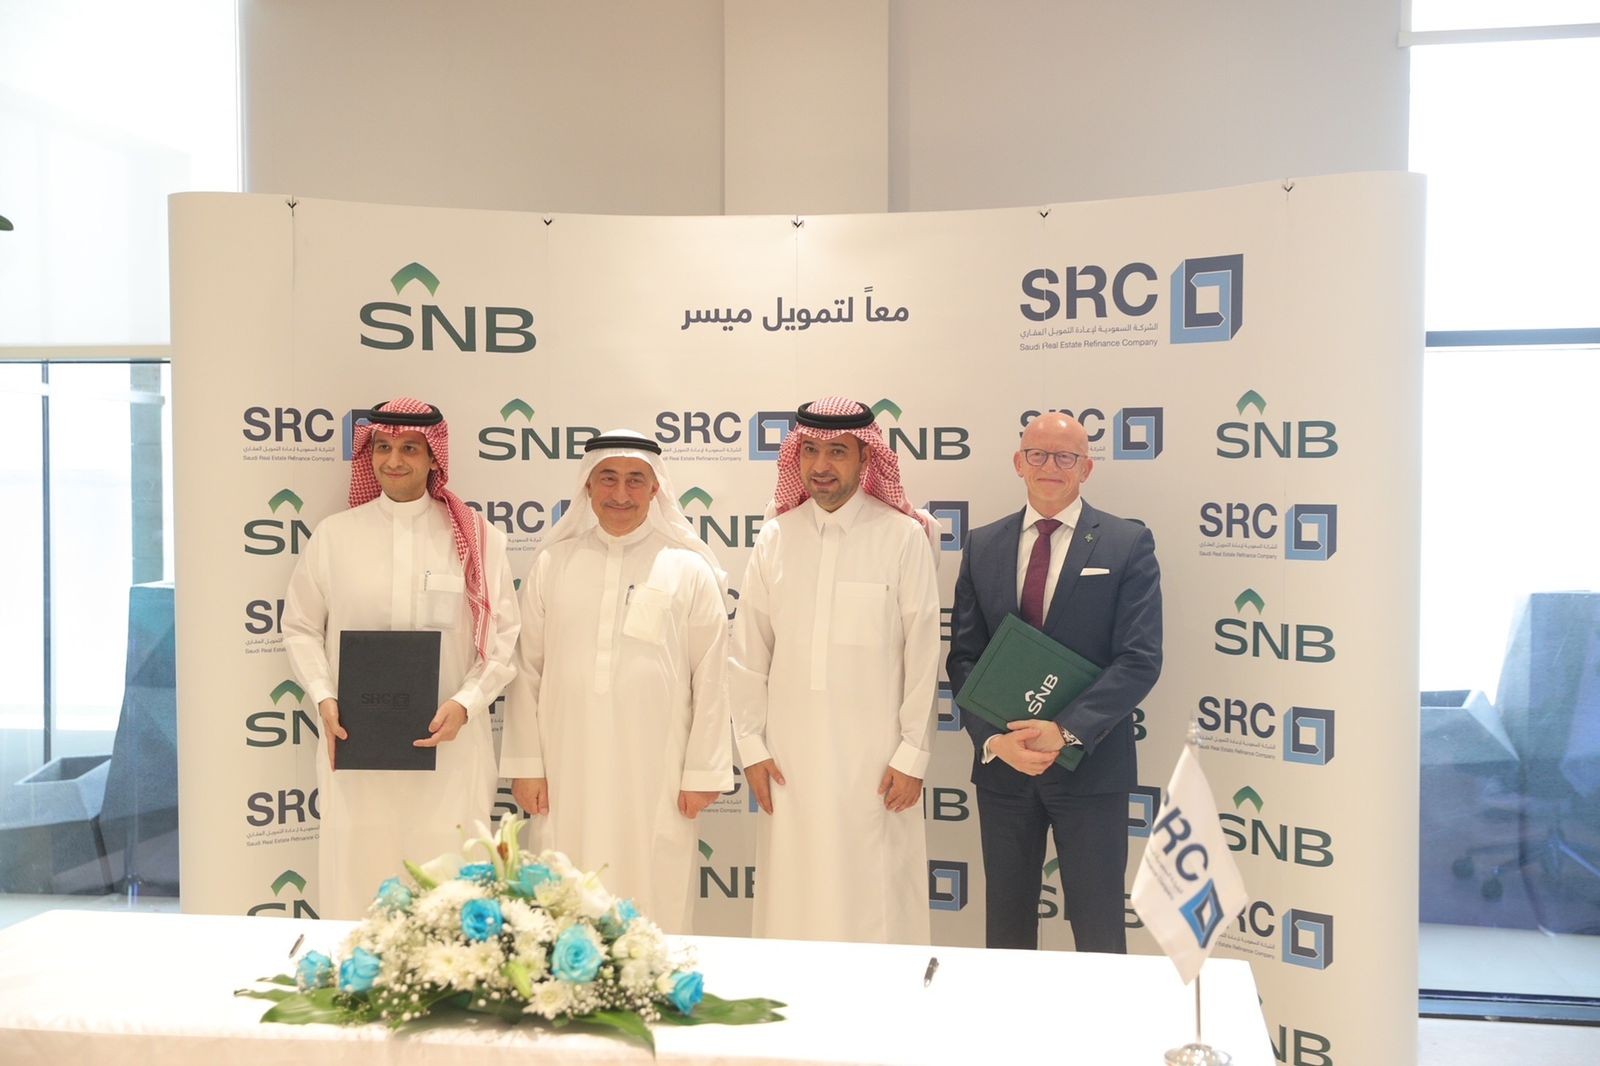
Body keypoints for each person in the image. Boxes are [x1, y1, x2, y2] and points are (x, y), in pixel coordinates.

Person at [282, 397, 519, 919]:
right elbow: (300, 627)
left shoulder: (478, 538)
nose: (394, 460)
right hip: (355, 747)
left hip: (450, 750)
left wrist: (466, 703)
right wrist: (322, 695)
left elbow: (503, 638)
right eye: (383, 447)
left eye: (410, 449)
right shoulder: (335, 536)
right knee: (358, 881)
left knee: (449, 887)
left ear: (434, 457)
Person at [499, 430, 733, 934]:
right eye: (608, 478)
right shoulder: (553, 563)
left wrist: (703, 771)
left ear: (656, 489)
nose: (620, 494)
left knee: (653, 887)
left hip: (657, 769)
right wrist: (525, 765)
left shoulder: (688, 569)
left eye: (635, 480)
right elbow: (527, 669)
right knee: (562, 887)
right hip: (565, 765)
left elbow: (713, 677)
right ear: (587, 485)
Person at [947, 411, 1162, 953]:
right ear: (1018, 463)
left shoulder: (1126, 543)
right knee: (1007, 933)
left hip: (1091, 769)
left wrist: (1064, 732)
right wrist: (996, 741)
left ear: (1086, 468)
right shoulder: (983, 545)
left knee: (1099, 931)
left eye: (1066, 456)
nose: (1050, 466)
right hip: (1005, 769)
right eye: (1037, 454)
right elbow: (965, 659)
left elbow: (1139, 659)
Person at [729, 396, 941, 944]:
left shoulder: (902, 536)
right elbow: (748, 652)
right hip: (789, 762)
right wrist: (750, 746)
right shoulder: (776, 537)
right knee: (793, 896)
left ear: (866, 458)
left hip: (875, 761)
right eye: (810, 450)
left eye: (838, 452)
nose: (821, 465)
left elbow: (922, 653)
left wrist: (912, 753)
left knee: (875, 897)